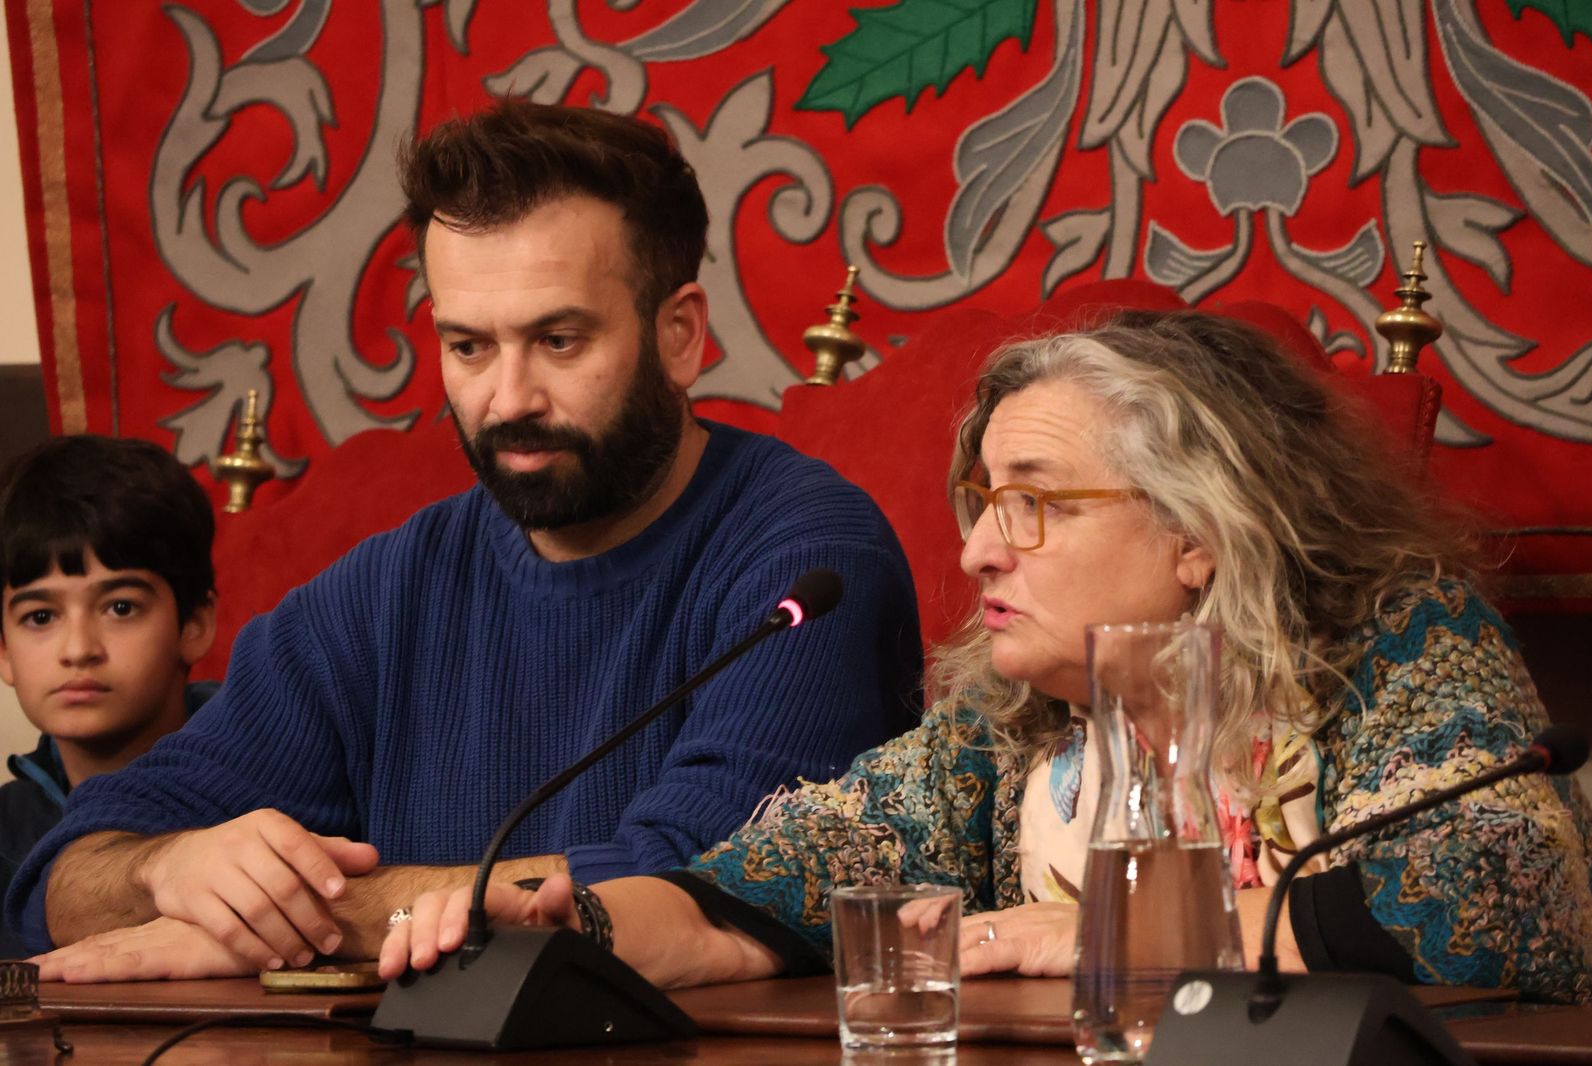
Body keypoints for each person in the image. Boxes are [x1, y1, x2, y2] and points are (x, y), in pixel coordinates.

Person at [381, 310, 1592, 1004]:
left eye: (1034, 503)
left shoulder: (1398, 641)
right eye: (978, 501)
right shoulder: (1012, 727)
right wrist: (565, 924)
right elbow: (760, 894)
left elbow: (1507, 893)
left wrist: (1112, 932)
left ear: (1195, 530)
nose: (974, 551)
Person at [14, 101, 922, 978]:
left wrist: (285, 922)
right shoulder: (383, 592)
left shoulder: (809, 559)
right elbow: (56, 877)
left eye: (559, 341)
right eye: (469, 347)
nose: (509, 399)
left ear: (679, 336)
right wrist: (160, 871)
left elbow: (690, 887)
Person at [0, 436, 219, 958]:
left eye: (120, 608)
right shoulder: (6, 830)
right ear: (4, 652)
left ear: (194, 623)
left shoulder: (281, 786)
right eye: (40, 617)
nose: (78, 650)